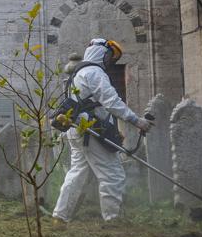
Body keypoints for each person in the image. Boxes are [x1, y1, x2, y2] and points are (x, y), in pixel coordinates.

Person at [51, 38, 151, 225]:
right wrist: (137, 121)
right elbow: (111, 103)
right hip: (91, 131)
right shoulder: (94, 72)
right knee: (112, 174)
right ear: (100, 53)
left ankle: (60, 216)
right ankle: (113, 219)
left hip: (78, 129)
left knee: (77, 173)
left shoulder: (79, 73)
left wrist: (112, 128)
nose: (109, 61)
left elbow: (97, 106)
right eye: (108, 56)